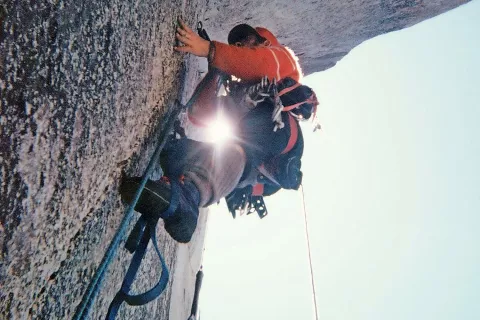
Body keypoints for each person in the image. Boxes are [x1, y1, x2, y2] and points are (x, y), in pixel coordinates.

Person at [120, 19, 315, 243]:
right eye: (237, 46)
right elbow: (200, 113)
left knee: (243, 138)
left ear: (262, 41)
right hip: (256, 161)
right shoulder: (244, 95)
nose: (241, 48)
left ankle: (189, 195)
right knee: (177, 152)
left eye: (246, 42)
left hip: (278, 128)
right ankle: (170, 193)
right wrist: (216, 72)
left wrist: (211, 50)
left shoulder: (281, 58)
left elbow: (263, 64)